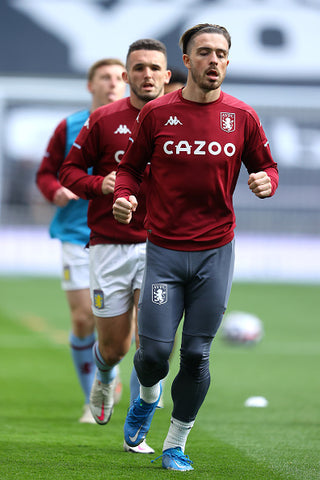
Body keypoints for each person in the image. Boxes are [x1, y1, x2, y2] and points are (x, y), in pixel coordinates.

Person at [113, 23, 279, 471]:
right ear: (185, 62)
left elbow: (265, 166)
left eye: (221, 53)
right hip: (164, 256)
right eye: (204, 53)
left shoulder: (242, 116)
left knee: (197, 354)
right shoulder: (157, 113)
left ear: (228, 60)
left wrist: (267, 181)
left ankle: (175, 443)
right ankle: (147, 398)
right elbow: (129, 170)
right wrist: (123, 197)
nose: (214, 60)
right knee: (152, 355)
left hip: (214, 255)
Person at [59, 39, 171, 453]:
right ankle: (105, 378)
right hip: (109, 245)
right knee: (114, 346)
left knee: (153, 342)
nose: (146, 75)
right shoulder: (103, 120)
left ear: (167, 75)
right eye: (137, 68)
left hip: (163, 245)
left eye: (153, 67)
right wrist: (98, 184)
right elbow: (67, 171)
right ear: (127, 76)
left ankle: (140, 418)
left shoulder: (184, 120)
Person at [36, 58, 127, 424]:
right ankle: (96, 392)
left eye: (120, 77)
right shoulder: (70, 126)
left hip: (123, 234)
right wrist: (55, 190)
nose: (113, 83)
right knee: (83, 316)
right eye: (105, 77)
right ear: (91, 85)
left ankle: (131, 382)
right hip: (77, 234)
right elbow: (46, 173)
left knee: (126, 322)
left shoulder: (140, 122)